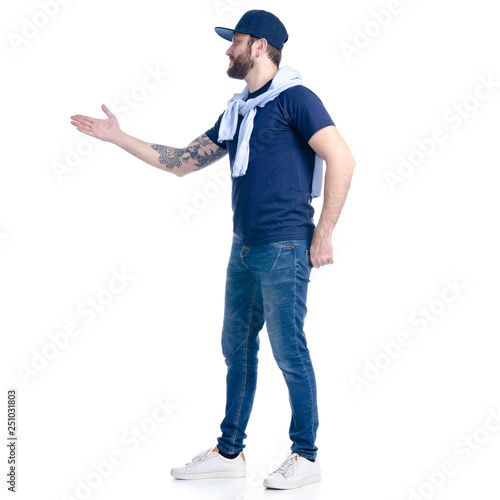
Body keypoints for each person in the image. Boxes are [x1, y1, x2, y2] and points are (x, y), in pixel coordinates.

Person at [70, 9, 355, 491]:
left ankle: (306, 456)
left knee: (289, 351)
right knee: (236, 349)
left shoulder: (296, 99)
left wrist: (323, 232)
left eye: (235, 41)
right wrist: (117, 137)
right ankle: (230, 452)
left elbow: (342, 158)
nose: (227, 49)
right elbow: (183, 162)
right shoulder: (238, 109)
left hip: (286, 246)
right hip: (243, 249)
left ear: (260, 46)